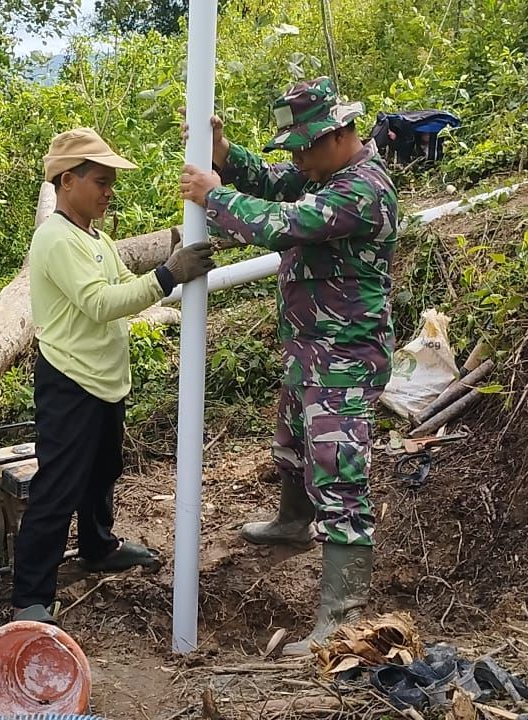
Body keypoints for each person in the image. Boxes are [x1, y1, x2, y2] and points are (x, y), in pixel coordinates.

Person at [179, 77, 399, 655]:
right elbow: (277, 183)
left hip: (345, 355)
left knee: (338, 469)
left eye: (305, 145)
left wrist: (213, 194)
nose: (297, 158)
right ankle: (292, 522)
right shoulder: (322, 173)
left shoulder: (363, 190)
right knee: (295, 442)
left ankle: (342, 618)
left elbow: (281, 223)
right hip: (311, 348)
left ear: (339, 133)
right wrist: (226, 159)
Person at [11, 127, 216, 624]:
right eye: (100, 181)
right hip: (70, 378)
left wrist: (170, 269)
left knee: (102, 472)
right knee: (58, 485)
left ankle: (98, 547)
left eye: (109, 182)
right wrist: (168, 273)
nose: (109, 191)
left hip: (104, 377)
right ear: (66, 182)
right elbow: (101, 303)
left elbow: (127, 285)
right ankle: (30, 596)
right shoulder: (56, 239)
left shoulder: (95, 238)